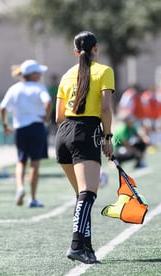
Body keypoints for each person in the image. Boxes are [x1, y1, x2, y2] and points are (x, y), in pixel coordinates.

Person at [55, 31, 114, 264]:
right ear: (96, 48)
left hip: (63, 134)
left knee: (82, 196)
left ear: (74, 52)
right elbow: (106, 109)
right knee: (88, 195)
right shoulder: (104, 71)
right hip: (86, 131)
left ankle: (86, 248)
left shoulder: (66, 75)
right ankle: (77, 246)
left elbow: (59, 116)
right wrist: (107, 138)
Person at [0, 59, 51, 207]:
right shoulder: (39, 88)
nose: (41, 74)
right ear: (33, 74)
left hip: (20, 128)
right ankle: (33, 198)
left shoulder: (14, 88)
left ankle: (20, 187)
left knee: (21, 161)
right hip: (37, 127)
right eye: (38, 72)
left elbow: (3, 108)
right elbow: (48, 103)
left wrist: (5, 125)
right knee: (35, 163)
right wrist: (46, 118)